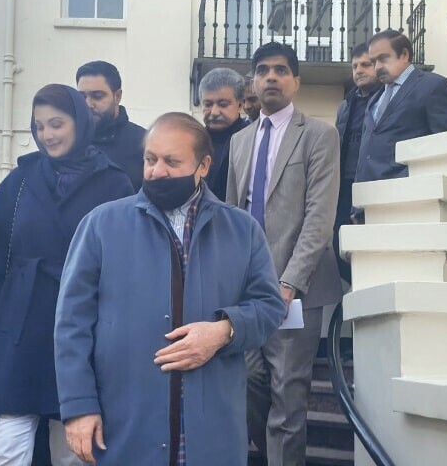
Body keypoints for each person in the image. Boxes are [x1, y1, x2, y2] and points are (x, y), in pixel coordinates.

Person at [54, 112, 285, 466]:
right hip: (123, 427)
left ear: (204, 165)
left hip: (212, 433)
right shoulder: (100, 225)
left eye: (171, 161)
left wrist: (224, 331)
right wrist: (78, 407)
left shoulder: (243, 230)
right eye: (150, 159)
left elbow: (270, 307)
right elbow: (71, 324)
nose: (156, 171)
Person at [0, 84, 134, 466]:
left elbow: (126, 265)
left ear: (80, 122)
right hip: (20, 326)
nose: (47, 135)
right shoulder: (18, 183)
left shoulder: (115, 183)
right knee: (10, 444)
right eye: (39, 126)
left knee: (76, 446)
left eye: (57, 123)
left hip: (83, 328)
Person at [226, 41, 342, 466]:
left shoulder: (319, 135)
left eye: (280, 70)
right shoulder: (240, 142)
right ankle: (269, 451)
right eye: (262, 70)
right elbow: (234, 218)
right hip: (249, 289)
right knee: (249, 381)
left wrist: (290, 282)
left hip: (298, 290)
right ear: (253, 82)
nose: (270, 77)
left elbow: (319, 217)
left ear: (296, 80)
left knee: (289, 398)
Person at [353, 30, 447, 203]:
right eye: (374, 62)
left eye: (383, 58)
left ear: (404, 54)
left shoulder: (432, 86)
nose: (378, 67)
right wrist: (357, 206)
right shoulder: (375, 99)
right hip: (370, 200)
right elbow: (366, 152)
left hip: (411, 198)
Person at [334, 43, 381, 283]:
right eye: (355, 66)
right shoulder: (346, 105)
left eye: (366, 64)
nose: (359, 70)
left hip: (373, 186)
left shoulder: (387, 100)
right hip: (343, 187)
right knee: (339, 248)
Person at [76, 60, 145, 191]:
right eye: (82, 96)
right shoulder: (70, 142)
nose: (88, 104)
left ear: (117, 96)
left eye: (97, 96)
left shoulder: (144, 143)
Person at [200, 67, 247, 200]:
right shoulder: (192, 141)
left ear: (240, 104)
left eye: (223, 104)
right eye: (208, 104)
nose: (214, 112)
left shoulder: (253, 140)